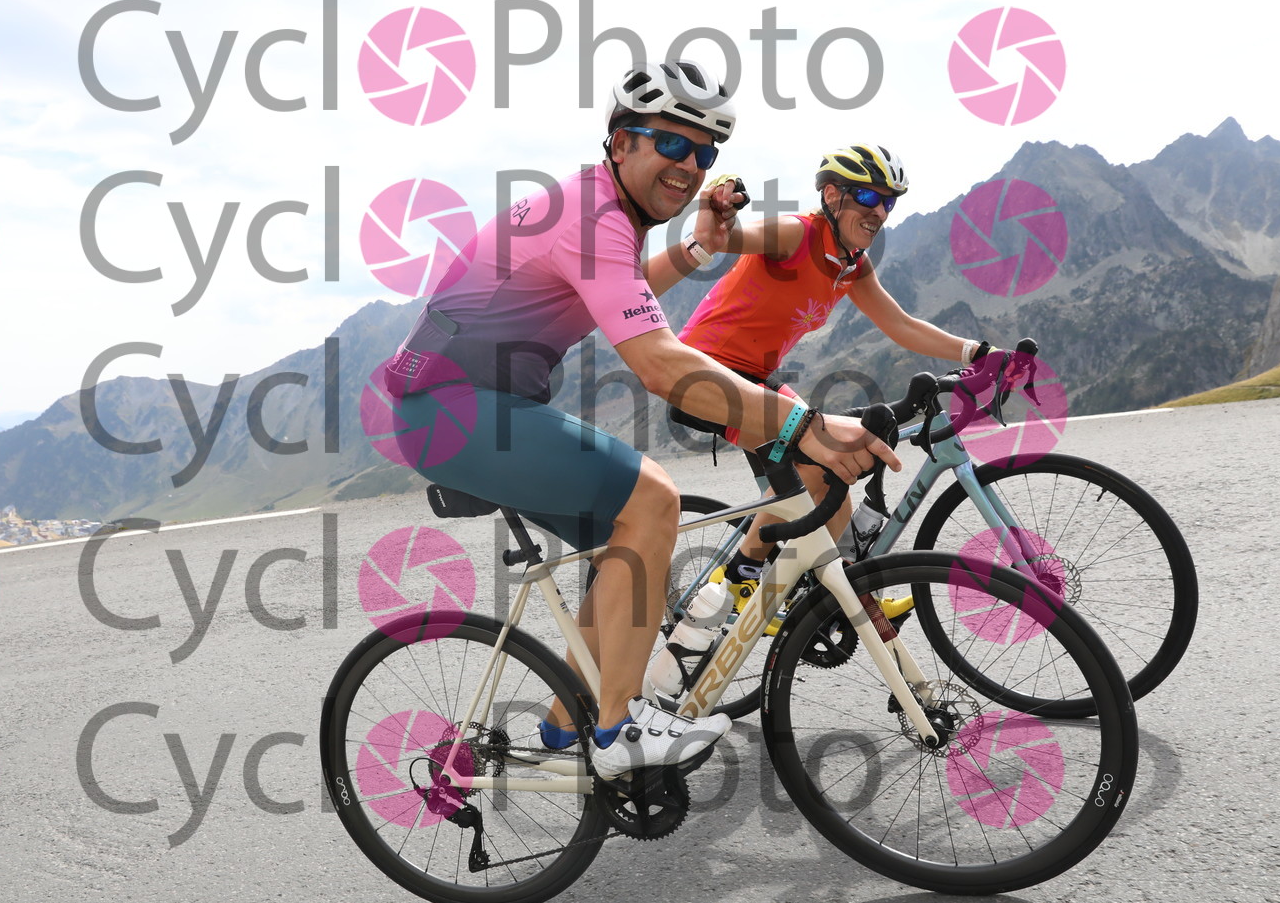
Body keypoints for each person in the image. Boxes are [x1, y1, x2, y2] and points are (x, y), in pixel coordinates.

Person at [381, 65, 901, 779]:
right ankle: (616, 730)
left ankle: (565, 730)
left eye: (705, 153)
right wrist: (801, 423)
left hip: (479, 407)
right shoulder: (592, 217)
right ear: (621, 143)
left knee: (626, 555)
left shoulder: (604, 215)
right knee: (653, 498)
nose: (690, 165)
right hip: (453, 408)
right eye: (671, 143)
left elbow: (619, 290)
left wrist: (697, 248)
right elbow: (659, 362)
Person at [673, 144, 993, 607]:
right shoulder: (795, 235)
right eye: (867, 197)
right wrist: (720, 208)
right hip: (704, 375)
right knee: (819, 462)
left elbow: (901, 325)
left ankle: (839, 597)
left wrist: (978, 352)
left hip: (756, 377)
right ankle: (736, 581)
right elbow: (729, 238)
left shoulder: (851, 264)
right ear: (831, 195)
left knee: (834, 475)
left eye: (888, 202)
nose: (879, 211)